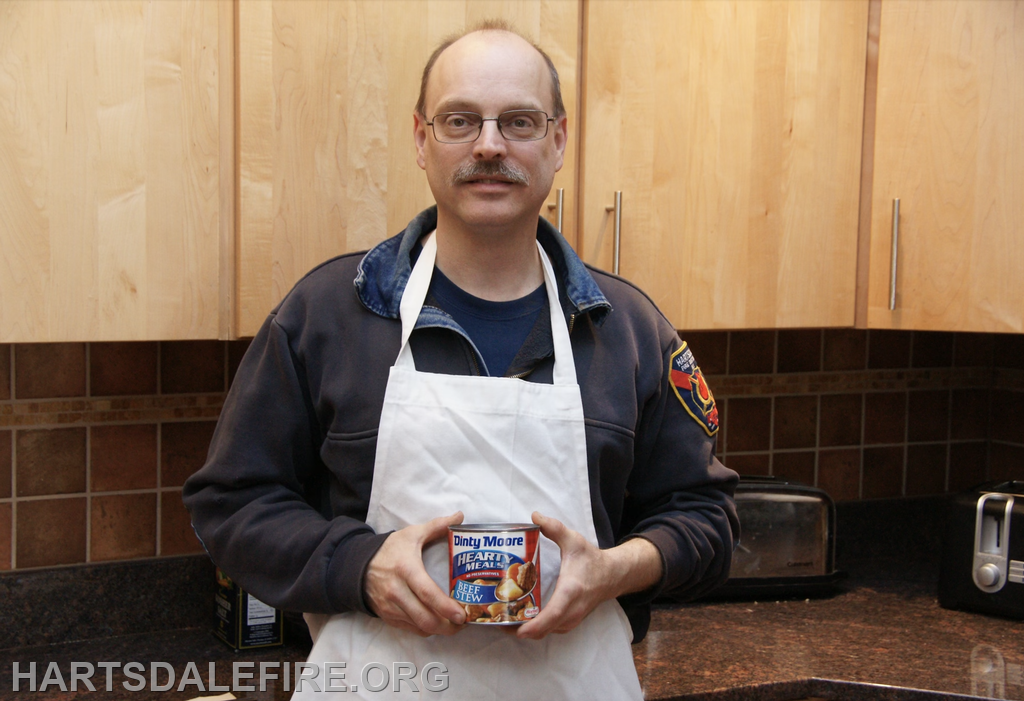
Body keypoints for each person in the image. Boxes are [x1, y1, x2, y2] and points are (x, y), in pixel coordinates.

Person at [183, 21, 738, 699]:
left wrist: (616, 569)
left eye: (519, 122)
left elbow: (707, 520)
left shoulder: (627, 331)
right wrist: (360, 566)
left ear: (559, 140)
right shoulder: (329, 314)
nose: (489, 145)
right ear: (421, 140)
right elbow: (230, 503)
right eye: (460, 120)